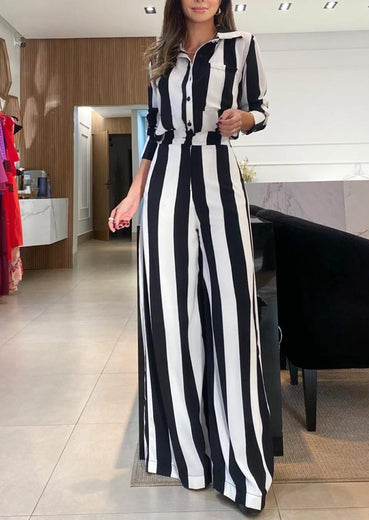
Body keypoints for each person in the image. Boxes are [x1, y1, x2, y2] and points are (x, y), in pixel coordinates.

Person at [108, 0, 273, 514]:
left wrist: (243, 118)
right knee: (171, 317)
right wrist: (133, 195)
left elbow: (261, 110)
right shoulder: (158, 55)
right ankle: (187, 457)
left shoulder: (241, 47)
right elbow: (155, 132)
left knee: (233, 313)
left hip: (219, 174)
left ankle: (242, 467)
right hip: (166, 184)